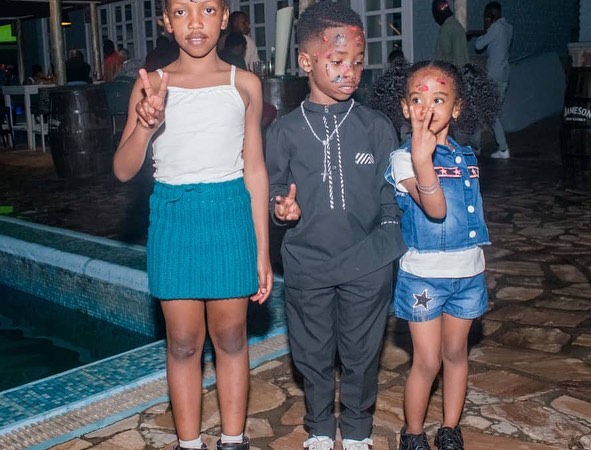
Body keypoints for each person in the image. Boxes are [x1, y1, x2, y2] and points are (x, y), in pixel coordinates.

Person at [113, 0, 272, 448]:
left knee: (232, 336)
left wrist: (262, 250)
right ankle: (189, 443)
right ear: (167, 22)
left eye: (207, 9)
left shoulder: (245, 84)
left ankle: (233, 439)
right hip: (174, 217)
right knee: (182, 342)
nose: (195, 22)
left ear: (224, 17)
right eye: (182, 12)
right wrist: (146, 126)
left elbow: (255, 169)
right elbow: (123, 170)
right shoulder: (150, 85)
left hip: (229, 215)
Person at [265, 3, 406, 449]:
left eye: (358, 62)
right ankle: (321, 428)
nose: (351, 72)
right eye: (338, 61)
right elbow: (274, 190)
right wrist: (280, 209)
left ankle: (359, 431)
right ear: (306, 61)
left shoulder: (376, 126)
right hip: (307, 263)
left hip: (368, 261)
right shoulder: (284, 131)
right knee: (312, 354)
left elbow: (390, 193)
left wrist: (387, 245)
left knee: (363, 353)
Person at [374, 60, 499, 450]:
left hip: (467, 274)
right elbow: (436, 209)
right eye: (418, 99)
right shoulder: (403, 159)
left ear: (457, 108)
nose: (427, 107)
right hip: (424, 278)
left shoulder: (467, 156)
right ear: (405, 107)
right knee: (427, 361)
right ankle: (413, 434)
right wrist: (422, 158)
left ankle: (450, 428)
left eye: (439, 99)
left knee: (456, 353)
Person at [473, 1, 513, 159]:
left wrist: (482, 32)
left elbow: (478, 45)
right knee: (492, 112)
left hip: (493, 76)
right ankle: (499, 147)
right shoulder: (508, 28)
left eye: (486, 17)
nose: (485, 20)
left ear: (491, 16)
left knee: (481, 109)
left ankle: (488, 147)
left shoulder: (495, 28)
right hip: (504, 75)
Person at [433, 0, 469, 66]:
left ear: (439, 13)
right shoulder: (457, 25)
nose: (436, 20)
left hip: (453, 69)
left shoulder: (446, 29)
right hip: (464, 68)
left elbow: (442, 55)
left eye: (435, 15)